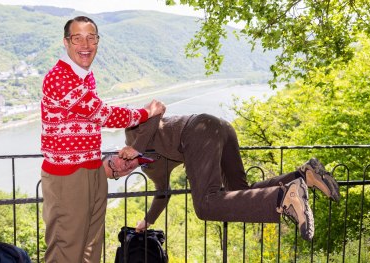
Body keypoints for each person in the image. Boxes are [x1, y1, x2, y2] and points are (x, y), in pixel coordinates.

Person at [40, 16, 166, 262]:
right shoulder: (59, 77)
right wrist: (146, 113)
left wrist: (103, 165)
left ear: (98, 41)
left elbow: (88, 121)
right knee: (66, 248)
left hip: (93, 170)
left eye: (91, 37)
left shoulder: (86, 76)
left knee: (91, 246)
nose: (85, 44)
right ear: (65, 42)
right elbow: (101, 114)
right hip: (67, 176)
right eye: (77, 38)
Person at [102, 114, 340, 241]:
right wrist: (148, 221)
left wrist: (136, 146)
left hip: (199, 129)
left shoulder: (132, 133)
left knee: (206, 205)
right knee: (241, 191)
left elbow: (156, 111)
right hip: (219, 129)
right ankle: (304, 174)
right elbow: (162, 193)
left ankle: (283, 198)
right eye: (116, 174)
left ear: (114, 153)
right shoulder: (150, 169)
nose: (120, 167)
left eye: (112, 163)